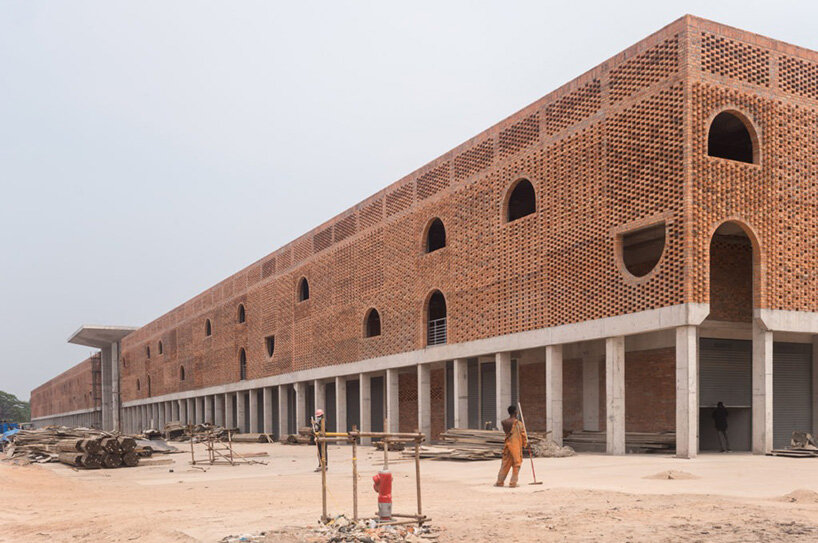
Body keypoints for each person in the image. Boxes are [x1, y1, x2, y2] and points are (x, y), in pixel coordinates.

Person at [495, 404, 528, 488]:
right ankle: (513, 483)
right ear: (516, 412)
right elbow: (523, 435)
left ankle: (500, 482)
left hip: (507, 445)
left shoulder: (504, 422)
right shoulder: (519, 424)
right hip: (515, 446)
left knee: (505, 464)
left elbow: (508, 433)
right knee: (517, 464)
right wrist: (526, 444)